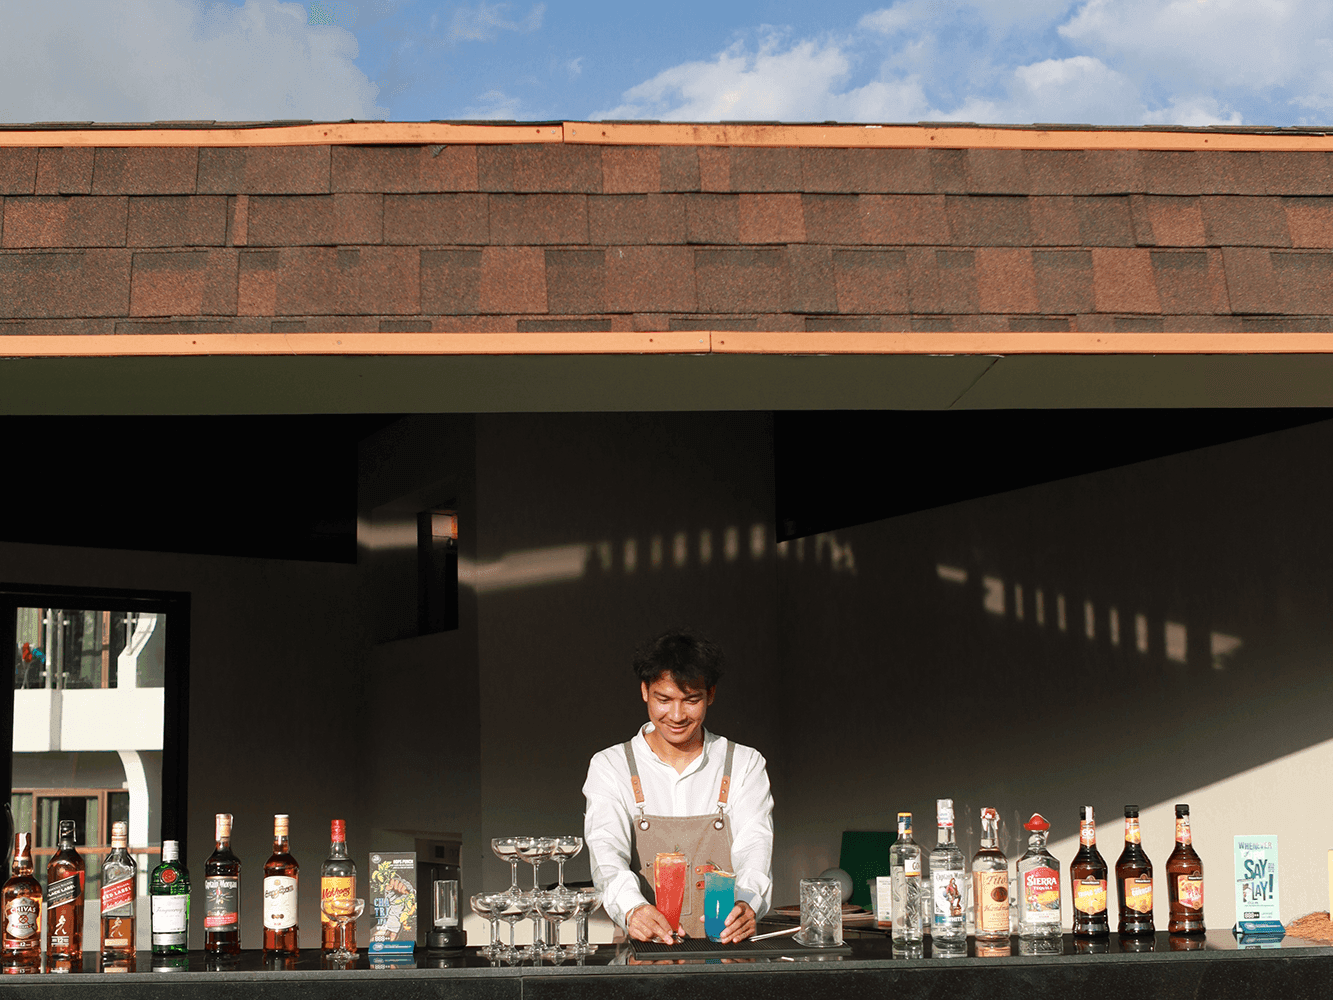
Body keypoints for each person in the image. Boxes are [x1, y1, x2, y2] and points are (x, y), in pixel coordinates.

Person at [582, 628, 774, 944]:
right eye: (664, 699)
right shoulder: (611, 766)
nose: (676, 715)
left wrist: (747, 903)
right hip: (642, 946)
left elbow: (755, 845)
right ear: (644, 691)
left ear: (710, 694)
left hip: (727, 947)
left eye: (691, 700)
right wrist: (633, 909)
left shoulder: (744, 764)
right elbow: (606, 853)